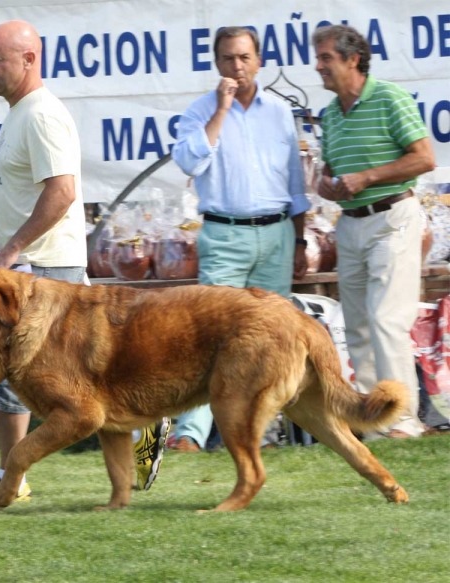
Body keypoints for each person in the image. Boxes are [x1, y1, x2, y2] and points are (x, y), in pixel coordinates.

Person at [0, 21, 168, 504]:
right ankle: (151, 416)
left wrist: (11, 250)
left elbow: (62, 192)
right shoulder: (19, 113)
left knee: (14, 375)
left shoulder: (41, 115)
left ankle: (12, 479)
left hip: (44, 271)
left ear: (28, 60)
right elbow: (14, 184)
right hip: (35, 268)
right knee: (87, 378)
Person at [169, 26, 309, 452]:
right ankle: (190, 434)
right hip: (225, 234)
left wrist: (300, 242)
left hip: (276, 233)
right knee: (210, 335)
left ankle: (260, 431)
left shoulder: (279, 112)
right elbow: (189, 162)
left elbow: (295, 180)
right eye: (228, 58)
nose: (237, 67)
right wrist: (221, 110)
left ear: (259, 61)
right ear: (216, 64)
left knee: (270, 340)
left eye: (245, 57)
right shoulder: (201, 111)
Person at [312, 25, 435, 439]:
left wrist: (368, 177)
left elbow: (424, 158)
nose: (319, 66)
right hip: (350, 224)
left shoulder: (390, 98)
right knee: (359, 324)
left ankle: (402, 419)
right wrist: (326, 184)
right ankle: (371, 419)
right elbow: (331, 170)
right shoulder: (330, 113)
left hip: (392, 218)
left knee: (386, 320)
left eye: (326, 58)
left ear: (353, 60)